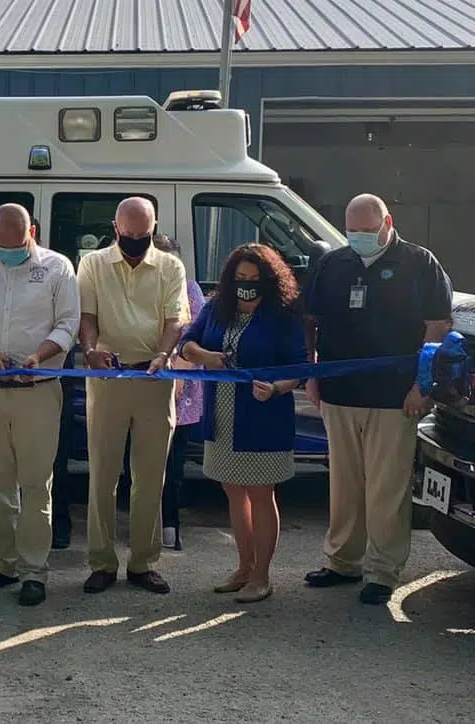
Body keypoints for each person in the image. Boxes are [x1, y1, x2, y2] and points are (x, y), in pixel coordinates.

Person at [304, 193, 453, 605]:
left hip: (395, 396)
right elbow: (311, 322)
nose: (360, 238)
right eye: (353, 232)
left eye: (368, 231)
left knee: (387, 488)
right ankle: (342, 561)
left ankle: (382, 572)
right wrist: (311, 374)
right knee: (344, 485)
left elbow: (437, 329)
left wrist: (421, 387)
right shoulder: (333, 264)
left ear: (387, 223)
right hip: (338, 393)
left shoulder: (419, 262)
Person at [0, 203, 79, 606]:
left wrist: (39, 357)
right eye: (2, 244)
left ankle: (34, 572)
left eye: (17, 244)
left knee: (36, 485)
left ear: (33, 233)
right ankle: (2, 564)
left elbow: (68, 324)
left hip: (38, 392)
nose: (9, 252)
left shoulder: (59, 268)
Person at [180, 244, 307, 602]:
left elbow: (300, 365)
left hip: (263, 415)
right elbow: (186, 344)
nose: (246, 285)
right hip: (221, 415)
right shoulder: (218, 307)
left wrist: (278, 387)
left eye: (254, 279)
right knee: (233, 491)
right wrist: (208, 357)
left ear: (268, 280)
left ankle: (263, 576)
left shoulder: (283, 315)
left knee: (261, 493)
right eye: (240, 279)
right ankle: (244, 566)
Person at [77, 196, 189, 596]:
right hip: (106, 378)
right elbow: (86, 317)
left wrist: (163, 354)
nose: (137, 242)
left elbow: (175, 319)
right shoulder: (91, 264)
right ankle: (102, 562)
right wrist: (91, 350)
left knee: (150, 477)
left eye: (145, 236)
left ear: (154, 230)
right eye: (130, 235)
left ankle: (143, 563)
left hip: (154, 380)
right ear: (115, 228)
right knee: (102, 476)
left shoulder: (171, 266)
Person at [153, 233, 205, 551]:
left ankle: (170, 525)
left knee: (172, 463)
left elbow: (194, 333)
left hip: (178, 389)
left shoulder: (190, 290)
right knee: (140, 463)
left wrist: (177, 375)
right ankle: (144, 525)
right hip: (141, 383)